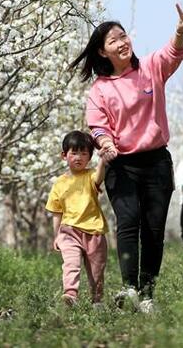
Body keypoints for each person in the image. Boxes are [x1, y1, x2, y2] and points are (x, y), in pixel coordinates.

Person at [70, 3, 183, 312]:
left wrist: (179, 31)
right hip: (122, 166)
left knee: (154, 231)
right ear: (102, 52)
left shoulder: (150, 68)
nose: (122, 42)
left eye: (123, 36)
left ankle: (147, 293)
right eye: (114, 40)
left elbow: (173, 53)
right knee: (128, 223)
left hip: (156, 162)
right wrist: (105, 143)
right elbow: (98, 126)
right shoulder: (100, 89)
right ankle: (129, 289)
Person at [46, 131, 108, 306]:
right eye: (73, 153)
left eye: (83, 153)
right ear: (64, 155)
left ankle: (97, 300)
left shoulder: (90, 176)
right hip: (68, 231)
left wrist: (103, 160)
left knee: (96, 270)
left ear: (89, 157)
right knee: (71, 264)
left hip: (94, 231)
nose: (78, 157)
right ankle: (70, 296)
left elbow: (99, 177)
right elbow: (56, 212)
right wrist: (57, 235)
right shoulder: (59, 183)